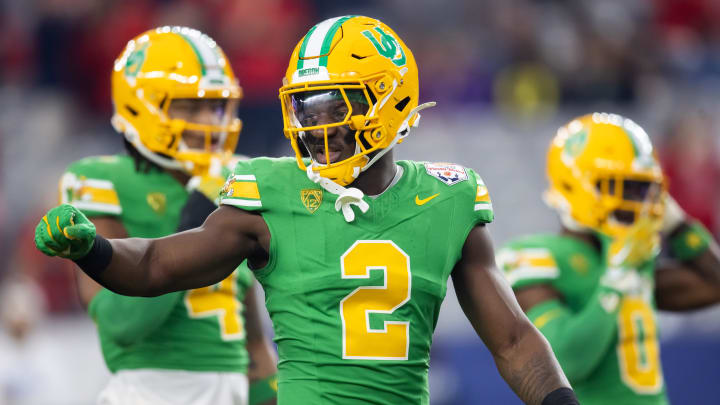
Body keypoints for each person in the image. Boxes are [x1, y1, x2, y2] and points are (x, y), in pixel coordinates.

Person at [36, 16, 579, 405]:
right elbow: (155, 265)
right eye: (304, 104)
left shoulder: (450, 196)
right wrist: (94, 248)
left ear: (389, 100)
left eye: (333, 104)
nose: (314, 124)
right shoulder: (267, 190)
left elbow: (511, 338)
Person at [55, 26, 277, 405]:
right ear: (140, 105)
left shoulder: (235, 179)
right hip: (150, 392)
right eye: (190, 106)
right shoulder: (101, 179)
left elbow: (252, 343)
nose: (208, 122)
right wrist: (197, 216)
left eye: (216, 106)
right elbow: (123, 323)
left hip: (232, 392)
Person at [497, 112, 720, 405]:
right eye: (620, 186)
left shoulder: (633, 258)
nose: (638, 200)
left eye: (643, 188)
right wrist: (616, 277)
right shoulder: (537, 257)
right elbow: (565, 363)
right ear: (575, 183)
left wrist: (678, 224)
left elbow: (714, 284)